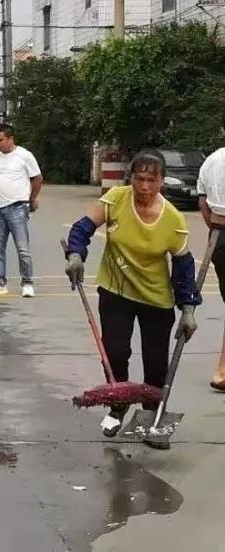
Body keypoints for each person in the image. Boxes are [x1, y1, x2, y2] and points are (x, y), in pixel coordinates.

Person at [65, 150, 201, 438]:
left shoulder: (173, 220)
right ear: (131, 178)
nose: (144, 187)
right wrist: (76, 254)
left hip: (155, 298)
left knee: (155, 365)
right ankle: (119, 403)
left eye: (152, 180)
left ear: (162, 181)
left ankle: (152, 415)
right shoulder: (116, 199)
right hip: (116, 290)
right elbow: (82, 228)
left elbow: (184, 269)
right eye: (139, 179)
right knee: (115, 351)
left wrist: (188, 309)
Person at [0, 123, 43, 298]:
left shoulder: (24, 156)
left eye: (1, 140)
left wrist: (31, 199)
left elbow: (37, 178)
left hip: (18, 206)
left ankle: (27, 283)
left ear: (10, 139)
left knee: (22, 248)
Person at [198, 145, 225, 391]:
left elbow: (203, 203)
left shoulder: (212, 160)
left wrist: (214, 229)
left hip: (218, 234)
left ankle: (222, 369)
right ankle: (222, 371)